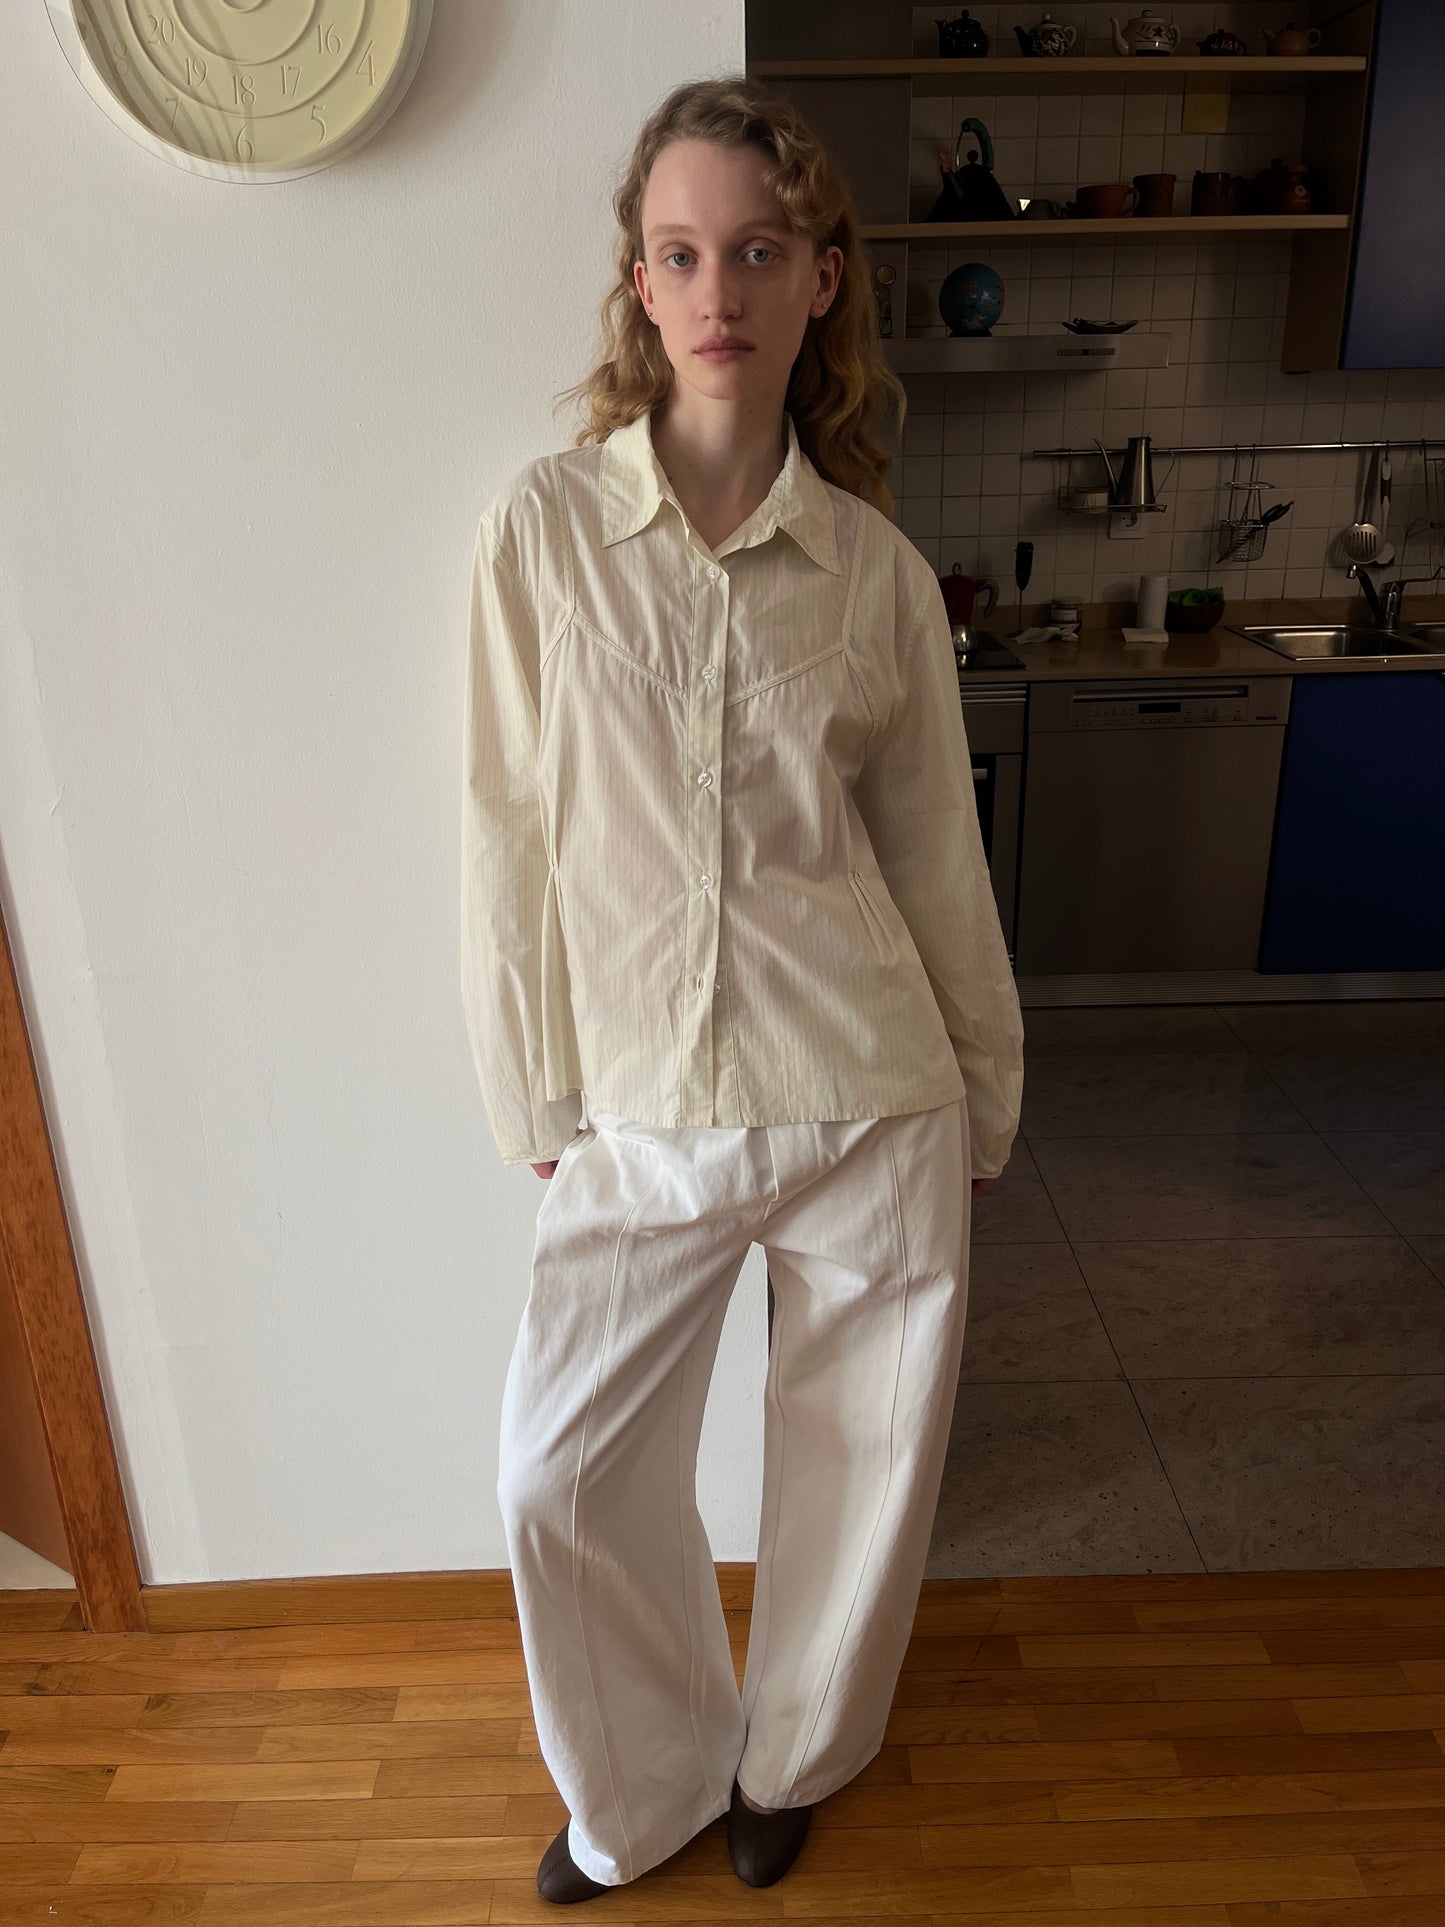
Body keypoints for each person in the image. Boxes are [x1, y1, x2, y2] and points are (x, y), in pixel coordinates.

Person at [460, 73, 1024, 1905]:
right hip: (642, 1106)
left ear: (821, 281)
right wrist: (530, 1091)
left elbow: (933, 843)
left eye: (759, 251)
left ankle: (794, 1756)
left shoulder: (866, 572)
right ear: (639, 281)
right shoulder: (542, 534)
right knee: (560, 1481)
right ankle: (642, 1792)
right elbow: (504, 834)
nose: (719, 287)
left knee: (856, 1472)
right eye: (684, 251)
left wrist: (986, 1087)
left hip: (867, 1090)